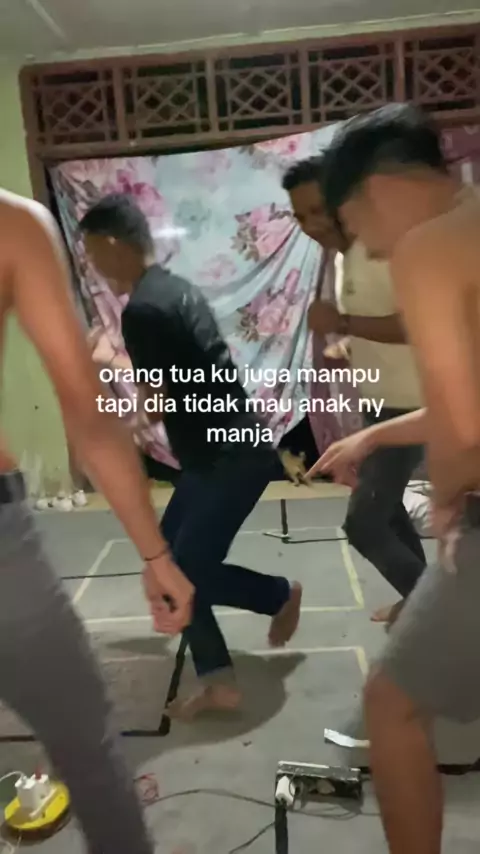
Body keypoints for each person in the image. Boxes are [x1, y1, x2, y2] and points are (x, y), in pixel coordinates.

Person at [0, 188, 195, 854]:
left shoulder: (157, 301)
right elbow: (89, 416)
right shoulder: (13, 226)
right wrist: (155, 555)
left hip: (218, 451)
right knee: (85, 744)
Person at [316, 101, 480, 854]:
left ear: (377, 189)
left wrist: (448, 500)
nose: (367, 248)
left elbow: (462, 427)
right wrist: (375, 434)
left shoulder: (428, 249)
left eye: (351, 222)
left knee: (390, 704)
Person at [79, 193, 302, 720]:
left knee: (181, 571)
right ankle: (254, 624)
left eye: (92, 254)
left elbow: (158, 396)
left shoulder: (143, 310)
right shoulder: (175, 289)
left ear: (113, 244)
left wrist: (119, 427)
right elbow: (179, 381)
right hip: (222, 455)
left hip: (227, 460)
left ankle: (269, 607)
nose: (93, 268)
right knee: (170, 561)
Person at [283, 157, 426, 625]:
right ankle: (420, 597)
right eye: (300, 216)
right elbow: (380, 319)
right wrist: (351, 342)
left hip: (413, 406)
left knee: (363, 523)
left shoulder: (381, 251)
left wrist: (343, 323)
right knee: (388, 511)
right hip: (380, 404)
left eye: (317, 210)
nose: (311, 225)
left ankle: (433, 611)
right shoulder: (343, 258)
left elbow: (419, 323)